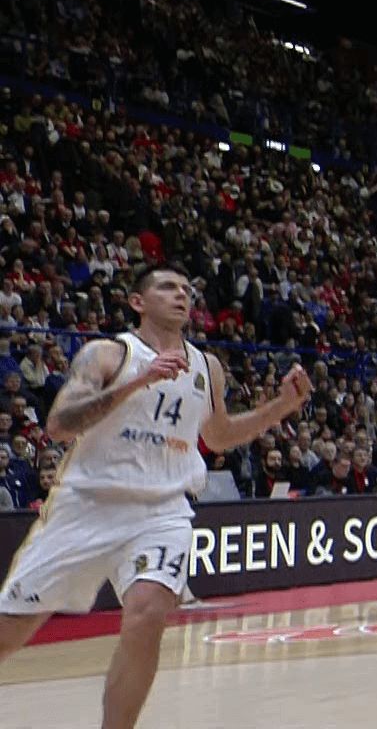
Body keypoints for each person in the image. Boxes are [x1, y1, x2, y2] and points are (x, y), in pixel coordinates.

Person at [0, 265, 312, 729]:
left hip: (163, 511)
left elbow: (221, 436)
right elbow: (59, 424)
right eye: (167, 287)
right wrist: (137, 382)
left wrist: (280, 408)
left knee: (148, 614)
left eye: (187, 289)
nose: (182, 295)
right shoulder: (109, 354)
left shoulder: (208, 367)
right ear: (138, 302)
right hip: (86, 506)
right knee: (11, 629)